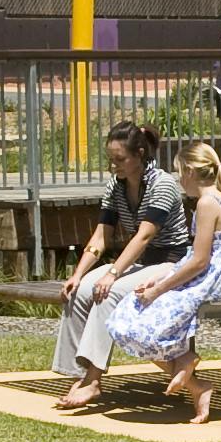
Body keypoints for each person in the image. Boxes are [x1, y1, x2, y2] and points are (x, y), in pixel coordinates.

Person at [47, 122, 185, 411]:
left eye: (120, 160)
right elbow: (101, 234)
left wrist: (112, 273)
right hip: (140, 262)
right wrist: (77, 274)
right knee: (80, 291)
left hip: (170, 262)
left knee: (106, 293)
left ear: (139, 154)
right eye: (111, 160)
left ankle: (94, 380)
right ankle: (78, 373)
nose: (114, 166)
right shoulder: (116, 185)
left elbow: (144, 236)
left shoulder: (163, 184)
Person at [111, 141, 221, 421]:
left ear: (189, 171)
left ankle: (187, 367)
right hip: (213, 277)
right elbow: (193, 257)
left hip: (210, 280)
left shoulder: (208, 203)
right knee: (127, 315)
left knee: (130, 322)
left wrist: (158, 290)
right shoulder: (219, 197)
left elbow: (200, 261)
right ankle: (195, 383)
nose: (178, 180)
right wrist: (160, 278)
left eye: (178, 173)